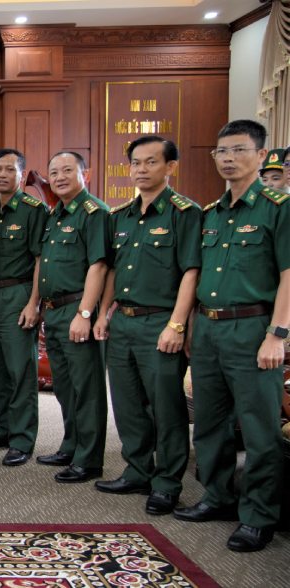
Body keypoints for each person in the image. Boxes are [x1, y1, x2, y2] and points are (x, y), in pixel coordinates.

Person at [174, 119, 289, 553]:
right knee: (208, 421)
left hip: (253, 328)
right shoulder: (210, 214)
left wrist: (277, 334)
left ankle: (259, 515)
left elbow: (288, 275)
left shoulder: (278, 207)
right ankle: (218, 496)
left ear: (261, 156)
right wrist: (189, 327)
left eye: (239, 150)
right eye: (221, 151)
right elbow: (197, 273)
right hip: (207, 328)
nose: (228, 159)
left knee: (259, 429)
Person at [92, 136, 200, 515]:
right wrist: (105, 313)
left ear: (170, 167)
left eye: (150, 162)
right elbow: (112, 270)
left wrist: (177, 324)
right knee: (127, 402)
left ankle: (168, 482)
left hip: (161, 322)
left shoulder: (185, 213)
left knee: (166, 407)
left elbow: (192, 272)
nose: (140, 169)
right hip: (123, 321)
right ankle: (138, 469)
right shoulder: (120, 216)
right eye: (135, 162)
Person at [35, 151, 110, 484]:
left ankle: (89, 459)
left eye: (68, 170)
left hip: (78, 309)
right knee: (65, 387)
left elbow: (100, 266)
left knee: (87, 388)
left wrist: (86, 313)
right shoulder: (56, 214)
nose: (60, 176)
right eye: (54, 172)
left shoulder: (94, 213)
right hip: (54, 311)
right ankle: (71, 445)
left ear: (86, 174)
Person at [0, 148, 47, 467]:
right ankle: (4, 426)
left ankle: (22, 438)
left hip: (18, 294)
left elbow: (39, 260)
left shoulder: (33, 210)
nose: (2, 174)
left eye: (9, 169)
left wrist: (34, 302)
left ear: (21, 175)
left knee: (20, 370)